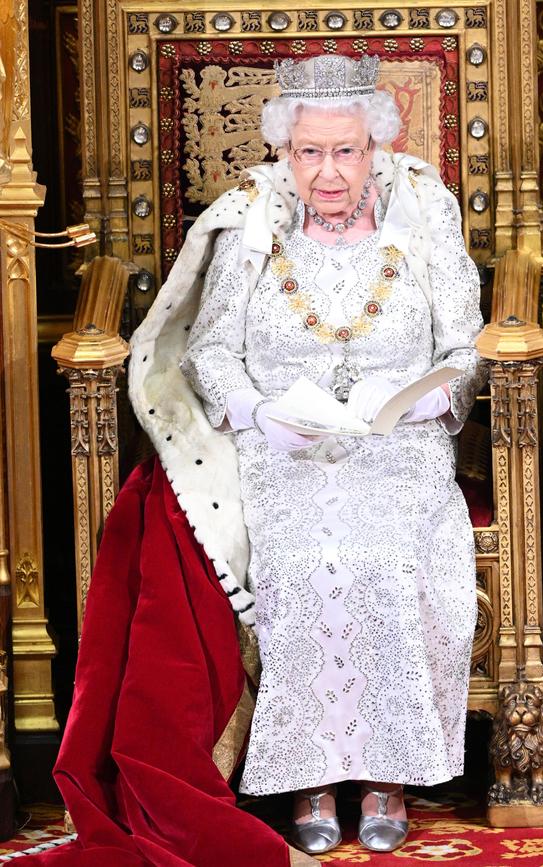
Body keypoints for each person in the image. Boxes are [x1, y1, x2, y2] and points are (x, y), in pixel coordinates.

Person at [129, 53, 486, 856]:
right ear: (285, 153)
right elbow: (211, 351)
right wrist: (258, 411)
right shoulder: (252, 220)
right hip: (283, 446)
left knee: (387, 554)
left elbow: (464, 349)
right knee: (301, 556)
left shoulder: (424, 213)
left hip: (398, 442)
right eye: (310, 152)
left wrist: (424, 398)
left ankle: (388, 774)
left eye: (346, 150)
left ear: (375, 145)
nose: (328, 171)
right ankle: (313, 778)